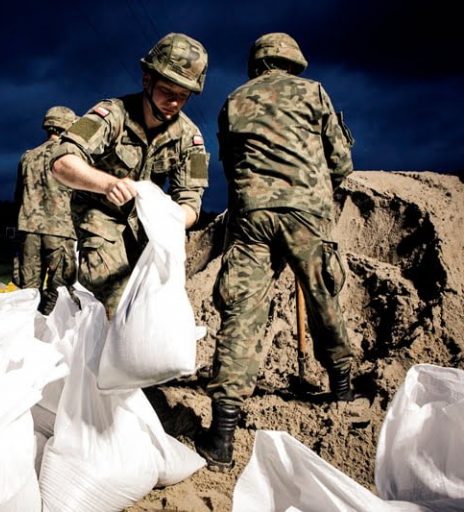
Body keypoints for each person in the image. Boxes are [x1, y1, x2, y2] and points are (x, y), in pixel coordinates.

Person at [195, 32, 357, 471]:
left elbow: (228, 163)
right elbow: (341, 161)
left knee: (241, 312)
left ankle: (222, 437)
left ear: (257, 62)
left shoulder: (233, 100)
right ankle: (342, 391)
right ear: (293, 61)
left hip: (252, 214)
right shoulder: (314, 93)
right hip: (307, 212)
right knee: (324, 295)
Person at [51, 33, 210, 318]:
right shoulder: (113, 115)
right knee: (113, 304)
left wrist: (170, 218)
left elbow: (191, 202)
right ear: (147, 80)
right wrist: (108, 183)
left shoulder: (190, 137)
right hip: (100, 218)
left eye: (183, 96)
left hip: (147, 232)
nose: (174, 103)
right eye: (167, 92)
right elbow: (63, 162)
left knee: (152, 308)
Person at [14, 106, 78, 315]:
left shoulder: (27, 157)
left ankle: (24, 330)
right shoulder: (70, 157)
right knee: (60, 290)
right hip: (60, 230)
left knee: (27, 290)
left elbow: (18, 195)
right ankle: (49, 330)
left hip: (28, 228)